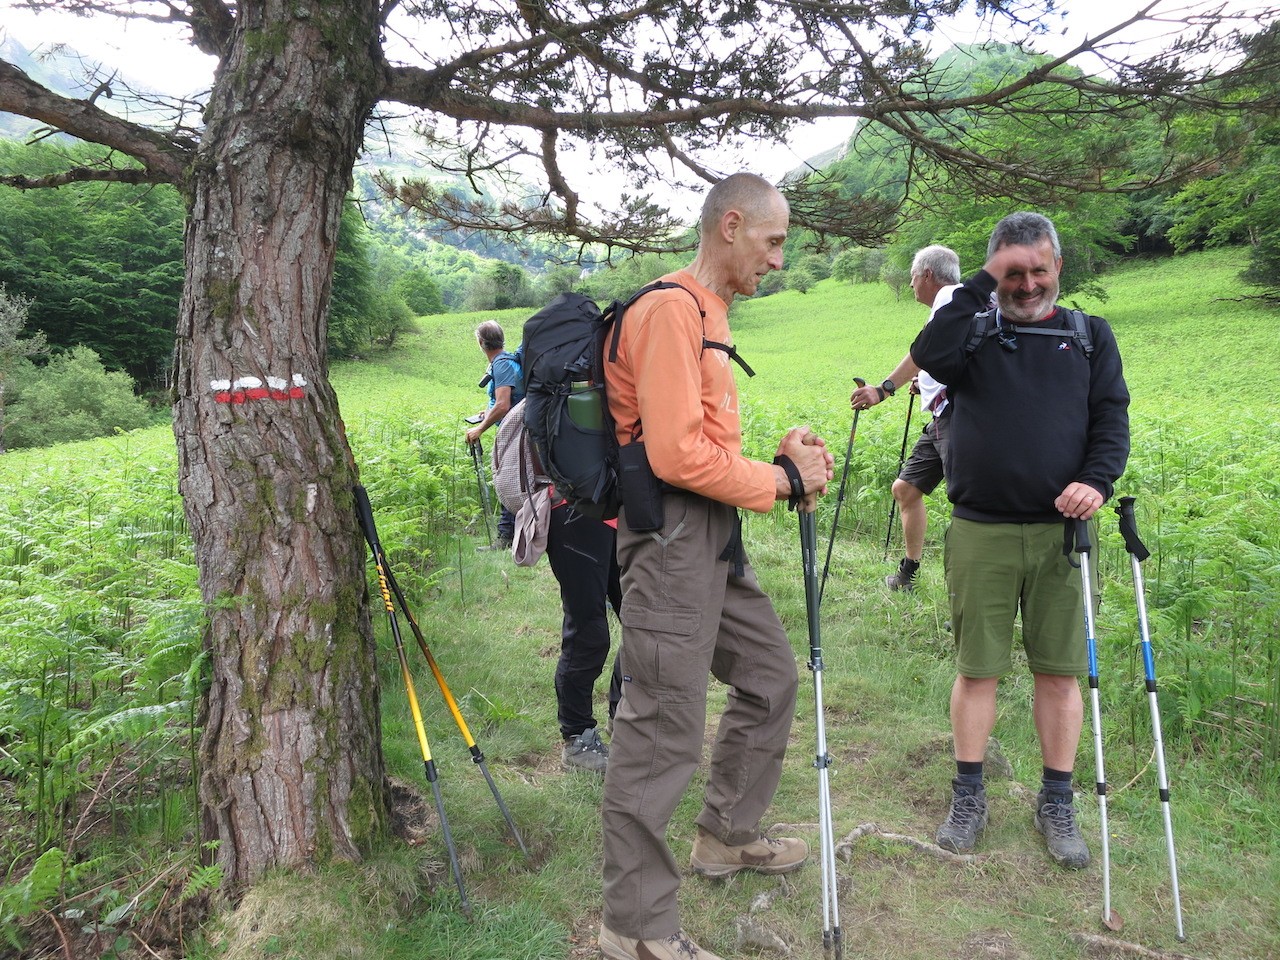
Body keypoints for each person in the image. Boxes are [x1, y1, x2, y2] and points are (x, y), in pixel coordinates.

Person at [598, 173, 834, 960]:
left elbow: (701, 444)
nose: (777, 260)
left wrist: (774, 462)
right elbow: (671, 454)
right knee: (663, 724)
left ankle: (725, 837)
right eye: (772, 242)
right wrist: (780, 481)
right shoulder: (671, 309)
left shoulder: (710, 315)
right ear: (731, 226)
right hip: (669, 543)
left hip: (710, 534)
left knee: (770, 675)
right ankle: (634, 928)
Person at [909, 212, 1130, 868]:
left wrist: (1097, 481)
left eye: (1039, 270)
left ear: (1058, 266)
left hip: (1064, 533)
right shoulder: (970, 333)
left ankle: (1055, 802)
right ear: (993, 273)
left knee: (1059, 674)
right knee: (978, 669)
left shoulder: (1090, 336)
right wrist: (980, 283)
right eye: (1013, 272)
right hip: (982, 529)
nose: (1028, 284)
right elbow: (929, 354)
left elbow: (1110, 418)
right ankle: (969, 794)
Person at [850, 245, 962, 591]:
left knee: (970, 504)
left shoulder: (951, 297)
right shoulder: (959, 305)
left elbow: (923, 348)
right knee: (905, 488)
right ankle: (908, 573)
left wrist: (883, 390)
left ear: (927, 275)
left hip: (960, 418)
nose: (912, 285)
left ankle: (966, 592)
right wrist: (928, 382)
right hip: (943, 414)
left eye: (913, 277)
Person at [546, 499, 625, 774]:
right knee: (588, 633)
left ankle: (624, 717)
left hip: (620, 512)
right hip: (574, 509)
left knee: (645, 624)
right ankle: (578, 738)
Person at [465, 321, 523, 550]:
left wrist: (480, 428)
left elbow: (503, 405)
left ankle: (506, 537)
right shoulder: (505, 361)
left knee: (507, 479)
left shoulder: (501, 365)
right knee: (513, 478)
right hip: (516, 428)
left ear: (481, 343)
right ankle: (514, 532)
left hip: (514, 430)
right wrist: (487, 412)